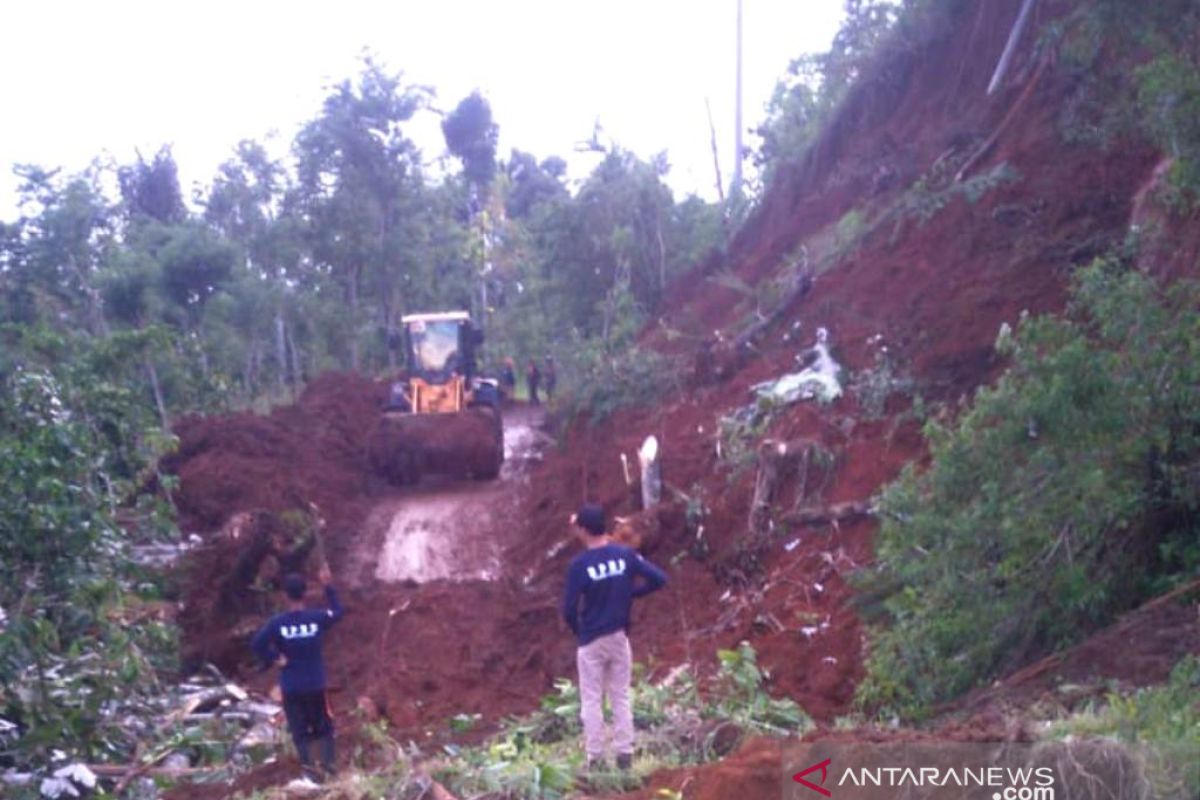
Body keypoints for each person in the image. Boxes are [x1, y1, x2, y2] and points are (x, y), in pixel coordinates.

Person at [561, 504, 668, 771]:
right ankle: (624, 755)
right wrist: (629, 594)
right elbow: (659, 579)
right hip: (619, 638)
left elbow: (568, 609)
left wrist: (579, 630)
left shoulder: (579, 566)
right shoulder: (625, 555)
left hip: (591, 641)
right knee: (620, 696)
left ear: (584, 531)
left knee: (592, 700)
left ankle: (596, 759)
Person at [251, 566, 344, 782]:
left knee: (300, 732)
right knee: (324, 728)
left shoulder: (277, 623)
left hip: (291, 687)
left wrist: (275, 657)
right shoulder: (317, 618)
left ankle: (311, 775)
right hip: (316, 684)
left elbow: (256, 644)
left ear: (284, 595)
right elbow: (338, 612)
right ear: (305, 593)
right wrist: (328, 586)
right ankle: (329, 771)